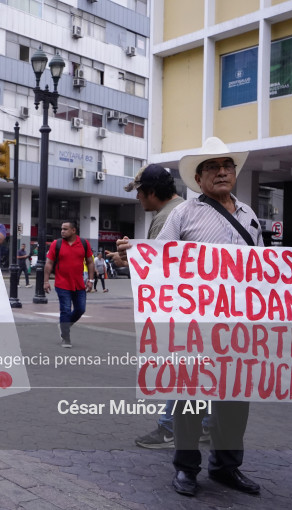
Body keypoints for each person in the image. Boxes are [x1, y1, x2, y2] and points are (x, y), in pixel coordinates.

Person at [117, 138, 292, 498]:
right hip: (196, 325)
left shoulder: (249, 215)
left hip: (239, 327)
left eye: (227, 166)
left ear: (234, 173)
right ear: (199, 178)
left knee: (235, 400)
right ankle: (186, 469)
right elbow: (159, 263)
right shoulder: (183, 214)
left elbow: (265, 269)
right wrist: (133, 257)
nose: (221, 172)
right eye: (212, 167)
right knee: (191, 399)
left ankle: (226, 467)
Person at [120, 164, 190, 449]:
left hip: (179, 308)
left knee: (182, 369)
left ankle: (169, 428)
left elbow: (157, 270)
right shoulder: (185, 208)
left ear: (150, 192)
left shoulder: (166, 218)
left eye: (139, 192)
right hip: (195, 306)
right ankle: (204, 424)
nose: (137, 198)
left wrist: (129, 262)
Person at [44, 220, 93, 348]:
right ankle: (66, 338)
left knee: (81, 309)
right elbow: (49, 263)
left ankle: (63, 325)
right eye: (62, 229)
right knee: (65, 310)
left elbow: (90, 262)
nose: (62, 231)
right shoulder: (56, 244)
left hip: (79, 284)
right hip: (62, 283)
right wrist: (46, 281)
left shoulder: (84, 243)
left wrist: (91, 280)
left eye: (65, 229)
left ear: (73, 230)